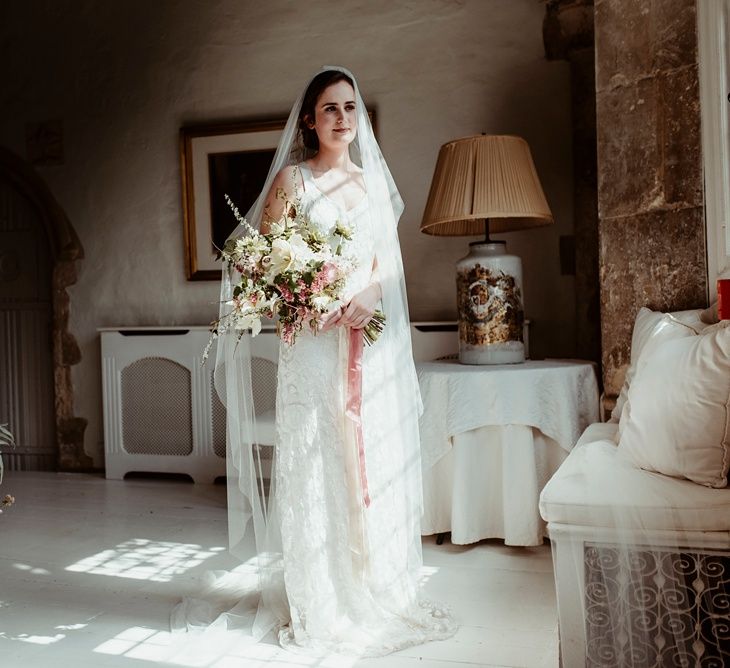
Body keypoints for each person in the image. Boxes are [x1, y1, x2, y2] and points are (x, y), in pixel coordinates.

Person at [173, 66, 456, 658]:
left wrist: (368, 295)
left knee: (367, 455)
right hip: (308, 344)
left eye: (351, 108)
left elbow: (386, 264)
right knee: (314, 458)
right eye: (330, 109)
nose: (343, 119)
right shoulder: (291, 182)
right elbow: (258, 263)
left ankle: (374, 584)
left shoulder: (373, 183)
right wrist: (305, 295)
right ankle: (319, 598)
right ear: (309, 119)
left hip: (364, 342)